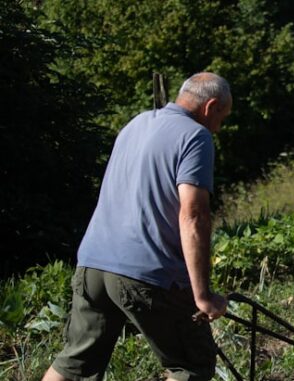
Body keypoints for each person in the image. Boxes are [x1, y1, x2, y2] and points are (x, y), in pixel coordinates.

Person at [43, 72, 232, 381]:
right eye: (221, 118)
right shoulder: (195, 136)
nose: (218, 127)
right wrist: (202, 295)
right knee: (192, 366)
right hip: (146, 271)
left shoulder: (136, 124)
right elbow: (194, 214)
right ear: (210, 106)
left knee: (74, 365)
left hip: (93, 264)